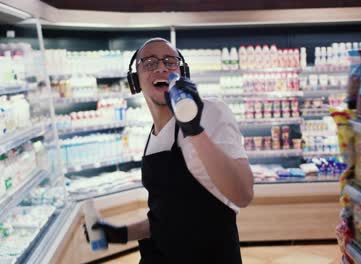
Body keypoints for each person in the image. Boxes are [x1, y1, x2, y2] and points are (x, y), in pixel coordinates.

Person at [88, 38, 254, 264]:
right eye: (149, 62)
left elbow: (242, 193)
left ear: (182, 73)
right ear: (134, 80)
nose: (161, 67)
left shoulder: (210, 112)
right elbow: (166, 219)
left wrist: (194, 129)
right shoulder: (152, 136)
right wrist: (121, 234)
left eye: (170, 61)